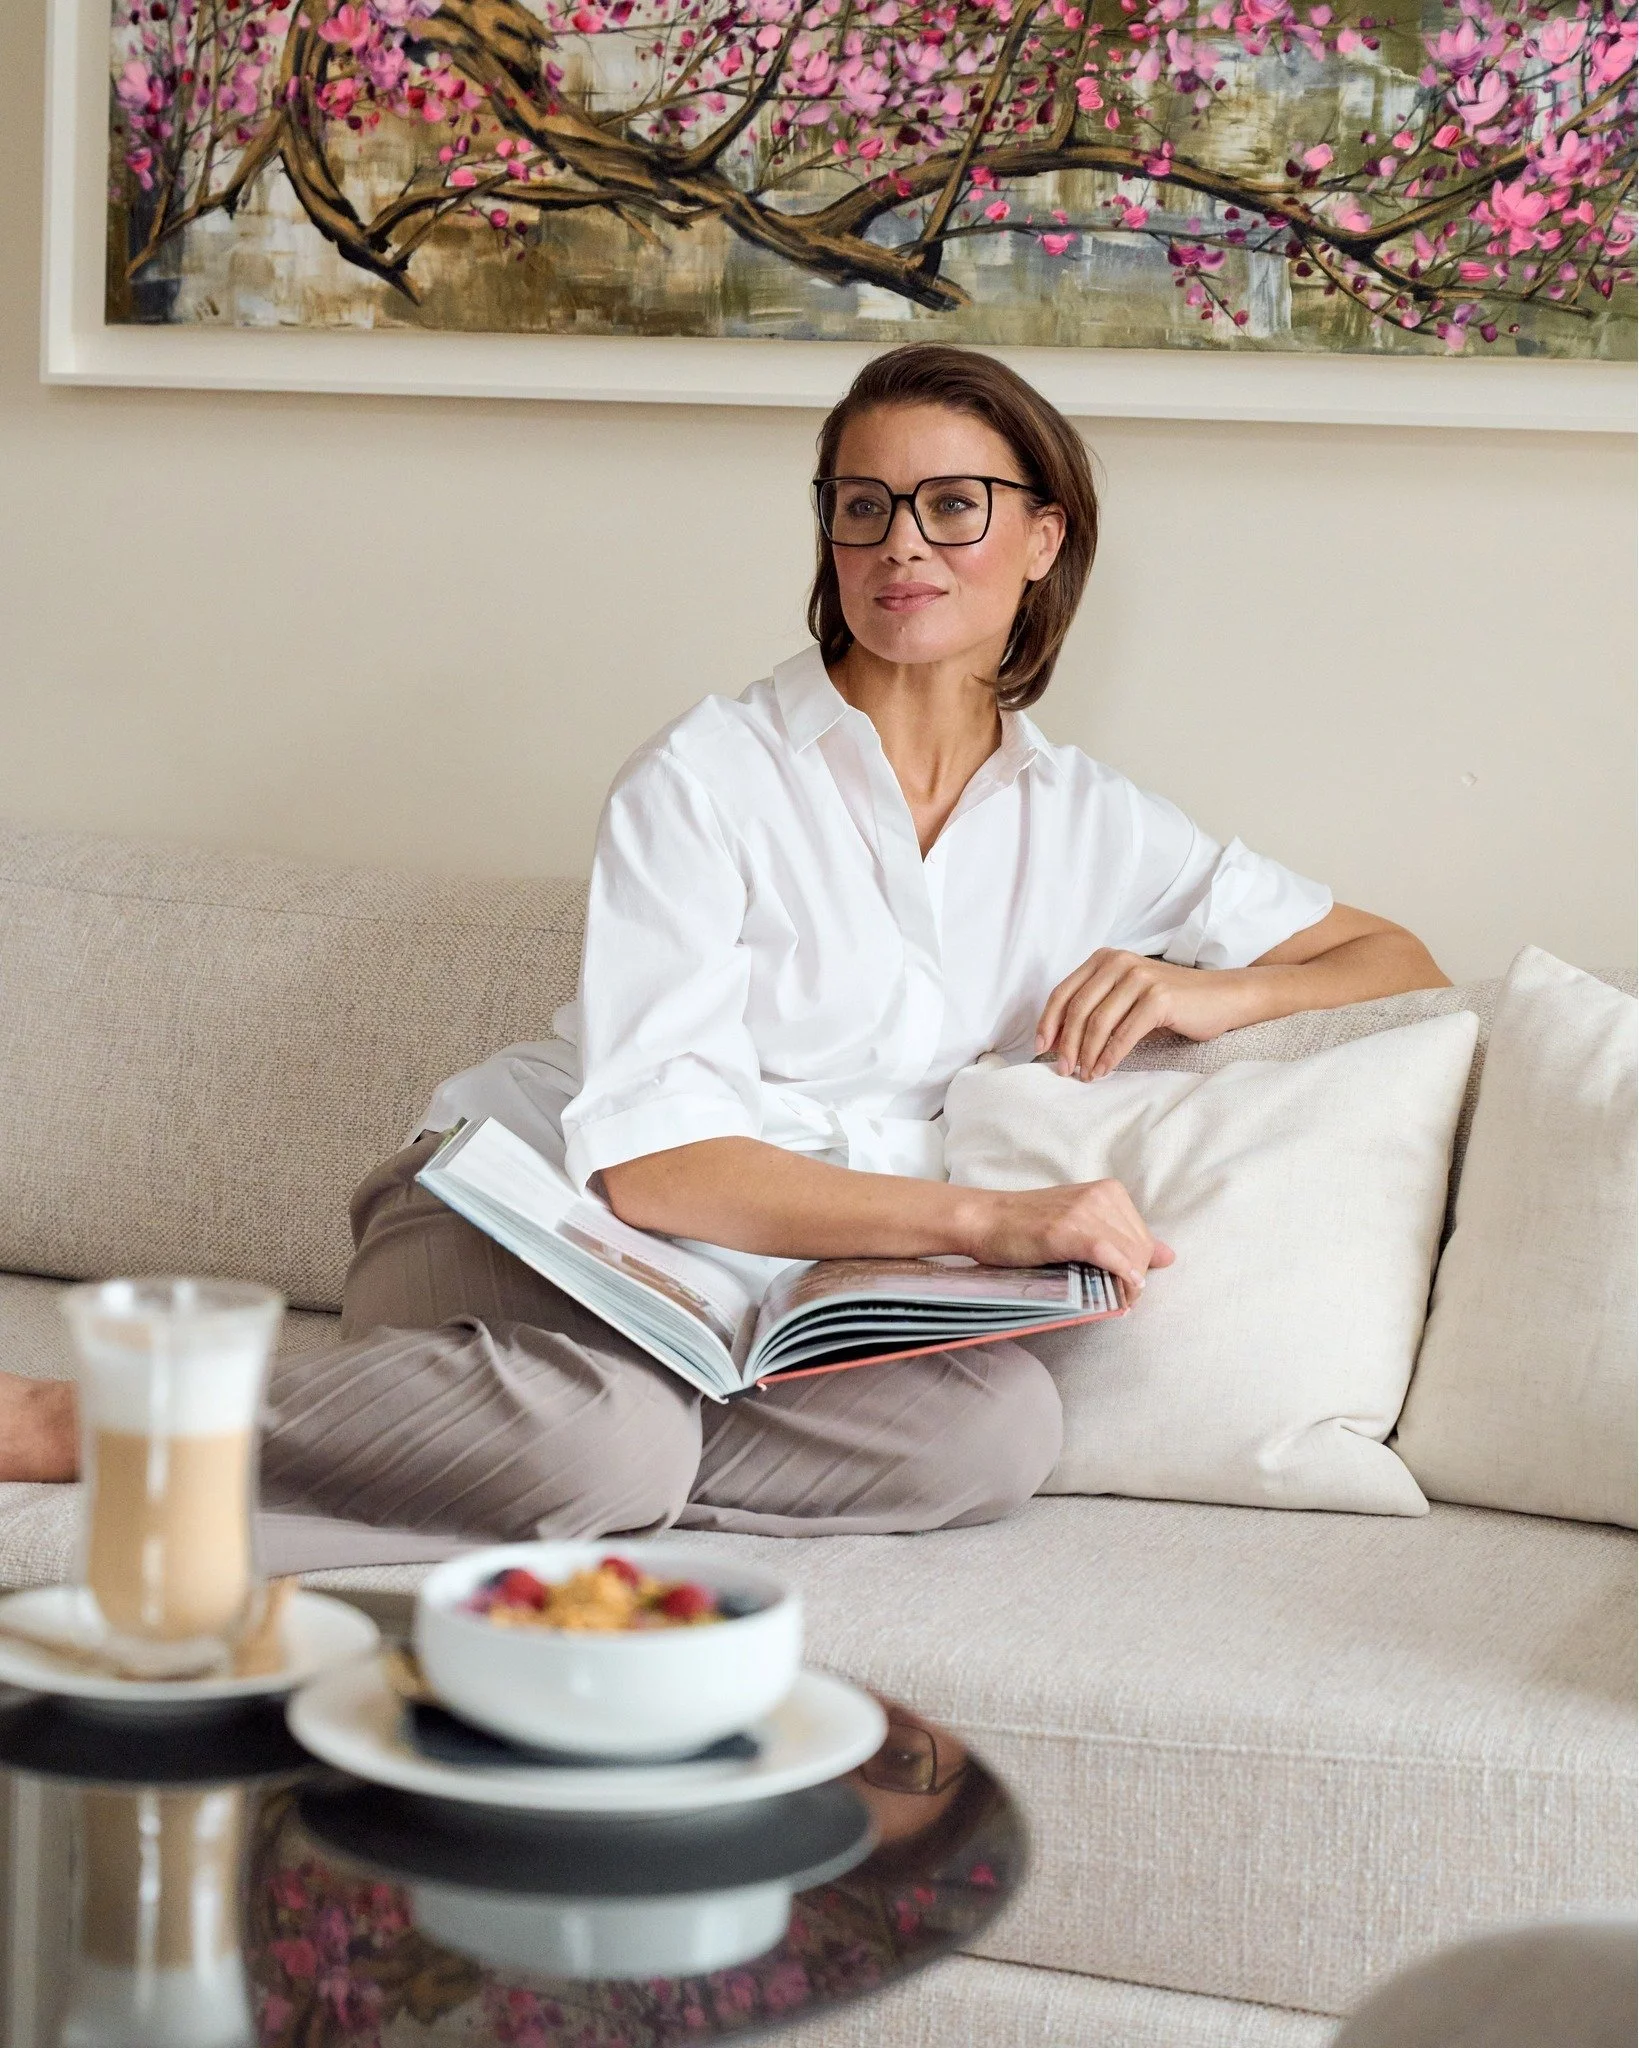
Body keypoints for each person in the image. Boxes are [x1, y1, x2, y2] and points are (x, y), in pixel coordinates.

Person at [1, 344, 1447, 1532]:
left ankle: (530, 1440)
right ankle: (83, 1417)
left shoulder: (1096, 824)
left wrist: (1205, 990)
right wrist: (993, 1224)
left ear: (1041, 536)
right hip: (524, 1216)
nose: (901, 545)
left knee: (990, 1437)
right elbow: (652, 1166)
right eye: (862, 505)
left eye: (954, 505)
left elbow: (1394, 958)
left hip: (768, 1303)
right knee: (602, 1449)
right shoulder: (703, 775)